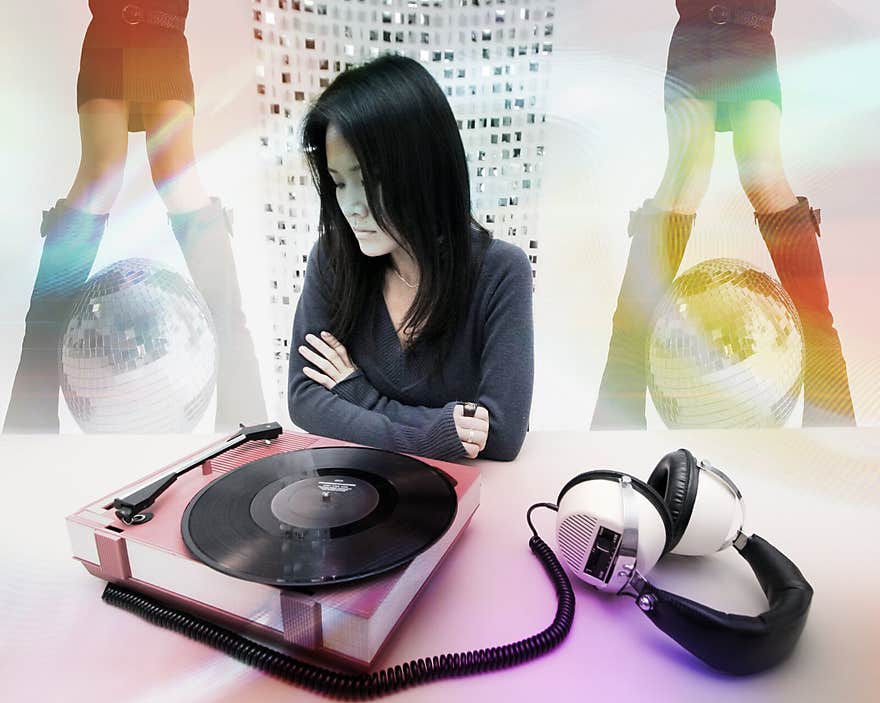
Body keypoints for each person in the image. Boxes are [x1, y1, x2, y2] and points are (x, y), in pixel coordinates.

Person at [4, 0, 266, 433]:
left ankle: (246, 409)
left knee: (179, 184)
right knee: (100, 179)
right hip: (110, 30)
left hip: (165, 33)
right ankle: (29, 413)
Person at [591, 0, 855, 429]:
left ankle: (834, 413)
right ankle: (616, 411)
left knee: (764, 176)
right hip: (693, 37)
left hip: (752, 33)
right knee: (684, 178)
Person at [288, 55, 534, 461]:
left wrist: (356, 393)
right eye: (338, 183)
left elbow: (502, 437)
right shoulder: (332, 259)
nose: (350, 206)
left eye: (366, 181)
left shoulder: (500, 272)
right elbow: (304, 398)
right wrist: (430, 437)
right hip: (356, 488)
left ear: (423, 171)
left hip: (467, 497)